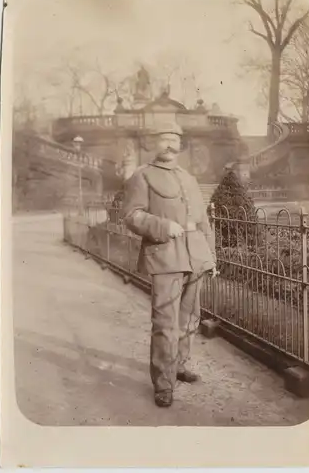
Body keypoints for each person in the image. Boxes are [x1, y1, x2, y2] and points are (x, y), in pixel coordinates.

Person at [122, 121, 217, 408]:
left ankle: (179, 366)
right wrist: (163, 226)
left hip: (195, 255)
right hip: (164, 256)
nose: (170, 144)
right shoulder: (143, 176)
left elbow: (203, 222)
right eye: (164, 138)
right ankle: (163, 384)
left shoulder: (188, 178)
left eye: (174, 139)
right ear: (154, 143)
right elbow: (132, 216)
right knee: (165, 324)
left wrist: (211, 257)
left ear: (180, 143)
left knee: (189, 320)